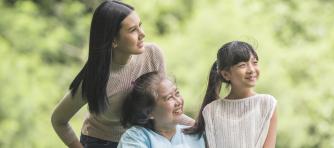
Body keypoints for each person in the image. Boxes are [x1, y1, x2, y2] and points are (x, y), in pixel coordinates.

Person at [51, 1, 193, 148]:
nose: (142, 34)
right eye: (132, 30)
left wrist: (199, 126)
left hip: (143, 139)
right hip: (103, 143)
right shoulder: (94, 79)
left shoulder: (153, 55)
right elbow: (58, 120)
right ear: (113, 40)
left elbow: (163, 108)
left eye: (140, 25)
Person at [185, 41, 277, 148]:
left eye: (254, 62)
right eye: (242, 65)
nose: (251, 70)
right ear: (226, 74)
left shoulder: (267, 104)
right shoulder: (211, 110)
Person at [118, 72, 205, 148]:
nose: (178, 102)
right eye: (169, 98)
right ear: (150, 112)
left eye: (177, 93)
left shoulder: (196, 134)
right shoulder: (135, 137)